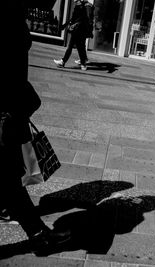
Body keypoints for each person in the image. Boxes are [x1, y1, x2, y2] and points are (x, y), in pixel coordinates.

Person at [1, 0, 71, 255]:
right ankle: (39, 236)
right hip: (6, 107)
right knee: (9, 177)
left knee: (8, 177)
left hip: (9, 104)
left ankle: (36, 232)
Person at [54, 0, 94, 71]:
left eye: (76, 1)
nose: (75, 2)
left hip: (78, 30)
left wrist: (88, 30)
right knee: (79, 48)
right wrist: (64, 25)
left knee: (74, 47)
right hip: (77, 30)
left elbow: (86, 19)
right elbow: (72, 18)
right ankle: (82, 64)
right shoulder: (79, 6)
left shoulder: (84, 7)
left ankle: (64, 62)